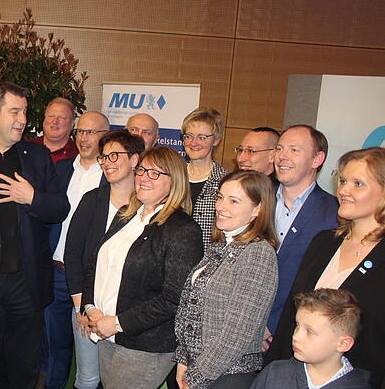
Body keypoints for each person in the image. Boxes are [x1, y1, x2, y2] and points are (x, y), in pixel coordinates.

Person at [0, 82, 69, 388]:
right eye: (15, 111)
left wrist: (31, 197)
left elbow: (60, 207)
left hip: (27, 282)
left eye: (24, 111)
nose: (23, 119)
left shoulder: (36, 156)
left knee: (24, 369)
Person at [81, 146, 204, 389]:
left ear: (174, 182)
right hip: (106, 333)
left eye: (156, 173)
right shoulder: (126, 215)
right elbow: (95, 263)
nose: (144, 177)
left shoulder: (183, 230)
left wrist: (117, 322)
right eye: (142, 170)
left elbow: (174, 299)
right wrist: (90, 306)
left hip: (146, 345)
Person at [266, 147, 385, 387]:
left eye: (358, 184)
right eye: (343, 181)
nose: (343, 190)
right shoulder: (324, 242)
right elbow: (293, 314)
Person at [174, 170, 279, 389]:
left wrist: (196, 378)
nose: (221, 207)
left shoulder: (258, 253)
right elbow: (193, 312)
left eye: (234, 201)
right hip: (198, 370)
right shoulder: (221, 246)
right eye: (220, 197)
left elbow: (237, 334)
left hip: (228, 376)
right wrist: (184, 360)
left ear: (257, 209)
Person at [64, 130, 145, 389]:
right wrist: (81, 308)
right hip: (87, 308)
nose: (107, 162)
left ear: (134, 160)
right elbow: (73, 254)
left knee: (118, 381)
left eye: (114, 155)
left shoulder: (149, 206)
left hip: (128, 313)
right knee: (87, 379)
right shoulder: (92, 201)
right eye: (104, 157)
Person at [42, 112, 110, 389]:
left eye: (92, 132)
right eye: (80, 131)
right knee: (54, 348)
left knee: (91, 358)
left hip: (92, 278)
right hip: (56, 272)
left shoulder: (113, 177)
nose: (84, 137)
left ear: (106, 137)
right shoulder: (59, 170)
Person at [265, 125, 338, 338]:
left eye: (294, 150)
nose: (282, 157)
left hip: (293, 332)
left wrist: (273, 326)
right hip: (242, 326)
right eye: (279, 149)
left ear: (317, 159)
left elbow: (320, 284)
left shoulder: (334, 214)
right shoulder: (257, 199)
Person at [254, 289, 371, 389]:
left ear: (343, 344)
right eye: (297, 326)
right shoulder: (275, 373)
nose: (296, 336)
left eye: (310, 331)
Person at [181, 107, 228, 253]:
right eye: (189, 136)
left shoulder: (226, 182)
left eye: (202, 137)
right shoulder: (173, 177)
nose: (193, 143)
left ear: (216, 140)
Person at [28, 97, 77, 163]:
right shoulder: (27, 149)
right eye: (51, 116)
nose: (55, 121)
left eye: (62, 117)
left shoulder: (79, 155)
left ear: (72, 124)